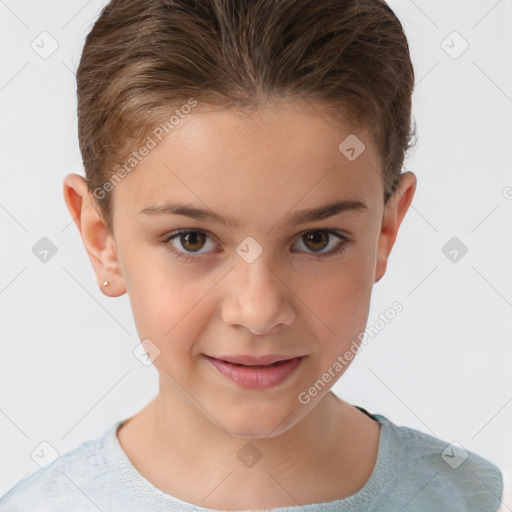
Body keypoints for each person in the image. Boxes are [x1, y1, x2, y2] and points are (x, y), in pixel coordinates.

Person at [0, 0, 503, 510]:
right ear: (101, 240)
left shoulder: (470, 496)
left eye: (316, 239)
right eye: (191, 240)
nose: (259, 312)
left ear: (385, 232)